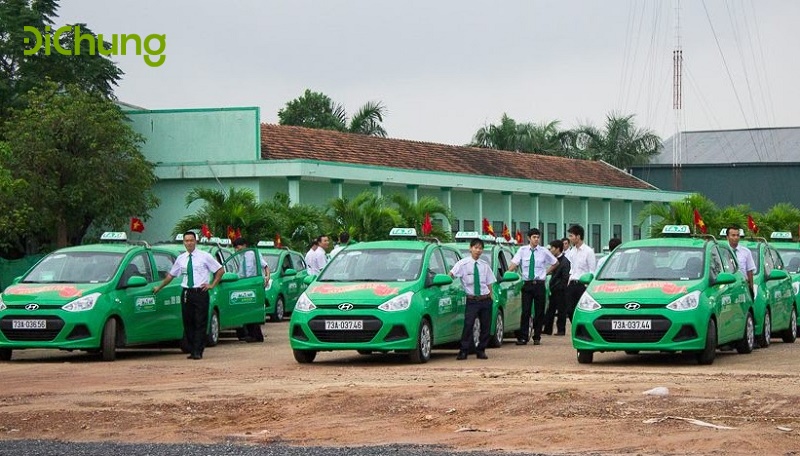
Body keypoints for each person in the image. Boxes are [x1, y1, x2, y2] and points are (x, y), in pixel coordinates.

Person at [153, 231, 224, 360]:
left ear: (195, 241)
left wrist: (212, 285)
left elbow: (220, 270)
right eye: (186, 241)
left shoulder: (205, 256)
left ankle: (198, 351)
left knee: (200, 321)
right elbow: (171, 275)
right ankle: (192, 349)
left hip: (200, 292)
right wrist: (159, 287)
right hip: (186, 292)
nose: (189, 243)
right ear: (184, 242)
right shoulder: (181, 258)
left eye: (191, 240)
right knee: (188, 321)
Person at [450, 238, 496, 360]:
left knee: (485, 326)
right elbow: (451, 275)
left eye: (480, 248)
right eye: (475, 248)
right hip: (472, 300)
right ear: (470, 248)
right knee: (468, 325)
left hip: (485, 299)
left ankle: (481, 350)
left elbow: (489, 283)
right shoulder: (462, 264)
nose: (478, 250)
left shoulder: (485, 265)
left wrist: (491, 296)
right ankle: (463, 351)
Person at [508, 228, 557, 345]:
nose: (536, 239)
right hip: (527, 284)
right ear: (529, 238)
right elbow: (514, 264)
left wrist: (546, 272)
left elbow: (555, 262)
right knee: (526, 311)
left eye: (538, 237)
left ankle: (537, 336)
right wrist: (508, 272)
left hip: (539, 285)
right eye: (534, 237)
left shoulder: (544, 251)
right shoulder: (522, 250)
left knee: (539, 312)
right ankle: (524, 337)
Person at [232, 237, 266, 343]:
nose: (237, 249)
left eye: (238, 247)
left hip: (253, 285)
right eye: (236, 248)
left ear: (244, 245)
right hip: (244, 285)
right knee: (246, 310)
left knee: (252, 309)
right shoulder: (242, 256)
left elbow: (265, 266)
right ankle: (251, 335)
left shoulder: (253, 254)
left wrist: (267, 278)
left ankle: (256, 335)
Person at [564, 225, 596, 328]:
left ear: (578, 236)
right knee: (569, 309)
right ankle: (576, 327)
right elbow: (572, 268)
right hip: (572, 283)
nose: (570, 238)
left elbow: (592, 270)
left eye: (571, 235)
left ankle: (582, 328)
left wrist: (589, 285)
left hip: (583, 285)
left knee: (582, 309)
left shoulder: (588, 251)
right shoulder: (572, 251)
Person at [543, 239, 571, 336]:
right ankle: (547, 329)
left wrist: (560, 287)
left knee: (561, 311)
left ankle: (561, 330)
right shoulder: (554, 260)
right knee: (550, 310)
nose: (550, 251)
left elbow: (565, 277)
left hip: (560, 290)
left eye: (552, 249)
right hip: (554, 289)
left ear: (557, 249)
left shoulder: (565, 261)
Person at [727, 225, 756, 296]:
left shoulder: (746, 252)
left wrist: (751, 289)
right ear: (727, 237)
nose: (736, 237)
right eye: (733, 235)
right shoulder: (722, 251)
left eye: (737, 235)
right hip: (728, 287)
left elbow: (749, 271)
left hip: (742, 286)